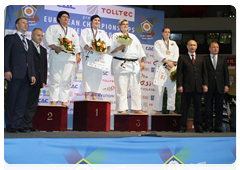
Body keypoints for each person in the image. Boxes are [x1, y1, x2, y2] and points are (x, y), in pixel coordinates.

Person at [4, 17, 36, 133]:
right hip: (14, 74)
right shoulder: (10, 38)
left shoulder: (28, 42)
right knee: (12, 99)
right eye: (23, 23)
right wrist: (6, 70)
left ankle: (18, 124)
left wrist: (32, 74)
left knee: (22, 101)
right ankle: (10, 124)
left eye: (27, 23)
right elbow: (5, 55)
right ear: (17, 25)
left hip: (26, 76)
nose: (26, 25)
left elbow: (31, 60)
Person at [43, 11, 81, 108]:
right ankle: (53, 100)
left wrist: (78, 55)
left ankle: (64, 100)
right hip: (57, 55)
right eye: (64, 17)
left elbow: (76, 44)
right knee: (55, 78)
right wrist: (55, 47)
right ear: (59, 18)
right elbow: (47, 39)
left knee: (66, 79)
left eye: (67, 17)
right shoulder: (53, 28)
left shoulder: (72, 31)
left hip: (69, 57)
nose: (66, 19)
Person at [110, 19, 146, 114]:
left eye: (127, 24)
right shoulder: (115, 36)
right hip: (120, 64)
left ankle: (137, 108)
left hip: (134, 64)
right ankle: (122, 109)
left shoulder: (133, 36)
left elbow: (140, 50)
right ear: (119, 26)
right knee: (121, 87)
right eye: (123, 24)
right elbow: (109, 50)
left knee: (136, 87)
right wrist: (119, 48)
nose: (125, 26)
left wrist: (142, 61)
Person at [177, 40, 208, 133]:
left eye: (194, 45)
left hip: (198, 87)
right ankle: (183, 127)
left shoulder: (201, 58)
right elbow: (179, 74)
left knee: (198, 108)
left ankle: (198, 127)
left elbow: (205, 73)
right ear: (187, 46)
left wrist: (205, 84)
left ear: (197, 46)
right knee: (184, 108)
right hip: (186, 87)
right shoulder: (182, 58)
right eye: (190, 45)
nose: (192, 47)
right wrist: (180, 85)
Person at [79, 15, 111, 100]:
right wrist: (89, 48)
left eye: (98, 20)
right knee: (87, 75)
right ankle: (86, 95)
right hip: (89, 55)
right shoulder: (86, 31)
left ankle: (94, 95)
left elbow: (107, 44)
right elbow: (83, 41)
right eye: (95, 20)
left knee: (97, 75)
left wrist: (104, 50)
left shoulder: (102, 32)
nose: (97, 22)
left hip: (99, 57)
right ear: (91, 21)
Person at [21, 28, 47, 132]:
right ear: (32, 36)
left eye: (41, 36)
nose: (40, 37)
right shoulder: (27, 46)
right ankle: (22, 124)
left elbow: (44, 66)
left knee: (33, 103)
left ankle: (28, 123)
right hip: (28, 79)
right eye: (38, 35)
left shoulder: (43, 50)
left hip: (38, 80)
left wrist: (43, 80)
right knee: (25, 101)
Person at [204, 42, 230, 132]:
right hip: (208, 86)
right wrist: (204, 84)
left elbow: (226, 73)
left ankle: (218, 127)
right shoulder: (205, 59)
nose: (215, 49)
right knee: (208, 107)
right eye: (213, 47)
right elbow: (204, 73)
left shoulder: (223, 59)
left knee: (219, 107)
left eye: (217, 47)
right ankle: (209, 126)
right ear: (209, 49)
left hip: (220, 86)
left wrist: (227, 85)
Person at [153, 27, 179, 115]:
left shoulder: (173, 43)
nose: (167, 33)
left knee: (172, 89)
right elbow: (157, 54)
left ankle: (171, 110)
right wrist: (168, 62)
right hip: (162, 66)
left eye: (169, 32)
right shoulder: (158, 43)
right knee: (159, 89)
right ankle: (157, 110)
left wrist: (172, 64)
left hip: (172, 68)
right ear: (162, 33)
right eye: (166, 32)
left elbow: (176, 54)